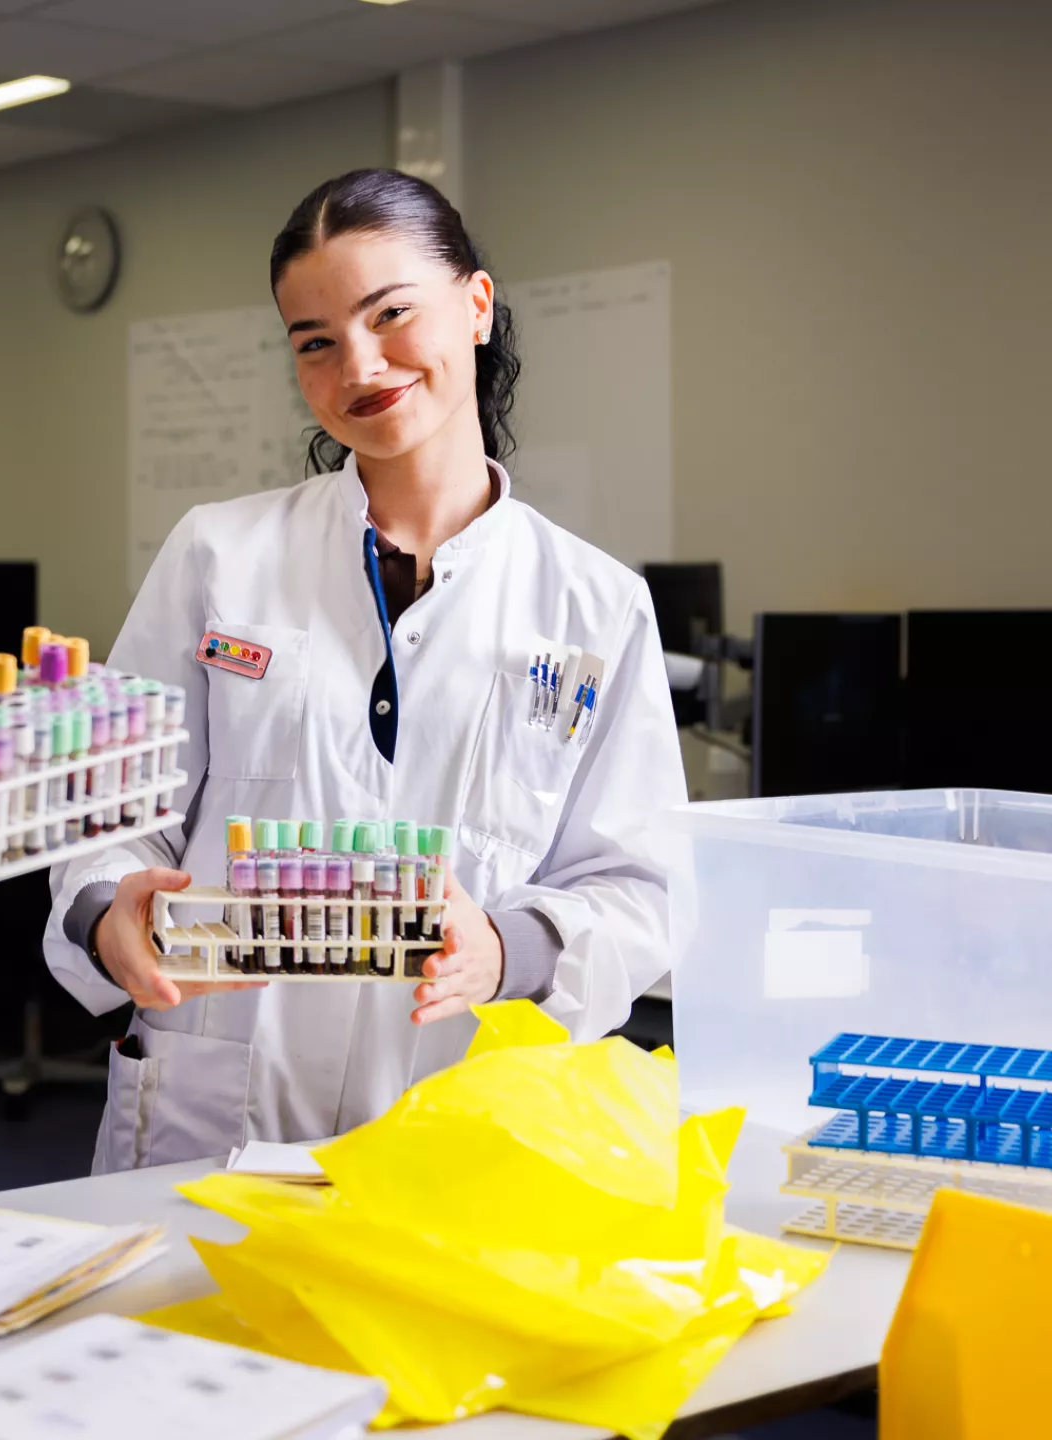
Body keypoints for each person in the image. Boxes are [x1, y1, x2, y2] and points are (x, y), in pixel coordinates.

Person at [46, 169, 686, 1173]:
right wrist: (106, 912)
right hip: (218, 1116)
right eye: (316, 342)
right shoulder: (222, 555)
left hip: (462, 1122)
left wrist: (506, 947)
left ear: (475, 306)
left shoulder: (595, 606)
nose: (362, 363)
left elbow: (642, 889)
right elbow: (109, 819)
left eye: (392, 314)